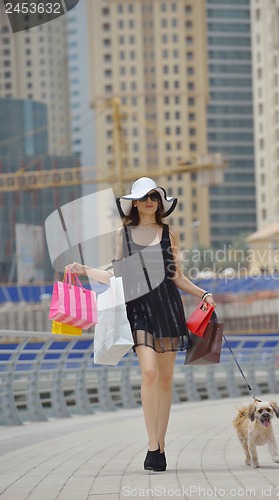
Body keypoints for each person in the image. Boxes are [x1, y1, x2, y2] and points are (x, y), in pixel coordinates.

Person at [66, 177, 216, 472]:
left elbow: (177, 277)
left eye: (155, 197)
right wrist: (84, 270)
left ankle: (161, 445)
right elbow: (118, 274)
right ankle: (151, 445)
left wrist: (204, 294)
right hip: (139, 309)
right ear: (134, 203)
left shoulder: (168, 234)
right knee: (148, 372)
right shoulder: (124, 235)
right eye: (145, 197)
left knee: (163, 380)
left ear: (159, 203)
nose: (150, 201)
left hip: (167, 307)